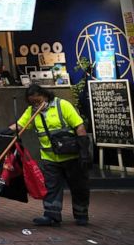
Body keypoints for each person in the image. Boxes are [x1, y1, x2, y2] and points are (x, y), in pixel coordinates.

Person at [10, 84, 91, 226]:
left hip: (71, 156)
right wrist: (3, 131)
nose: (36, 104)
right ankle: (51, 215)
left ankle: (81, 214)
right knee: (51, 188)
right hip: (50, 158)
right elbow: (20, 126)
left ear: (46, 96)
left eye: (38, 101)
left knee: (79, 187)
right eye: (32, 102)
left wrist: (84, 151)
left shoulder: (62, 105)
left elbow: (79, 126)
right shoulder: (32, 112)